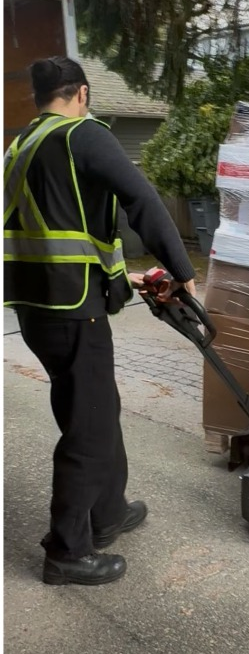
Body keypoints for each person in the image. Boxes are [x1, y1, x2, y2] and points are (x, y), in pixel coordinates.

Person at [4, 56, 196, 586]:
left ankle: (109, 512)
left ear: (39, 96)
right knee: (88, 427)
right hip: (74, 310)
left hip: (39, 305)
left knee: (95, 406)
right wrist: (183, 270)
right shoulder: (82, 135)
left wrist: (120, 278)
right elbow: (141, 198)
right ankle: (67, 551)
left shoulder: (20, 146)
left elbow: (61, 228)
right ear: (82, 93)